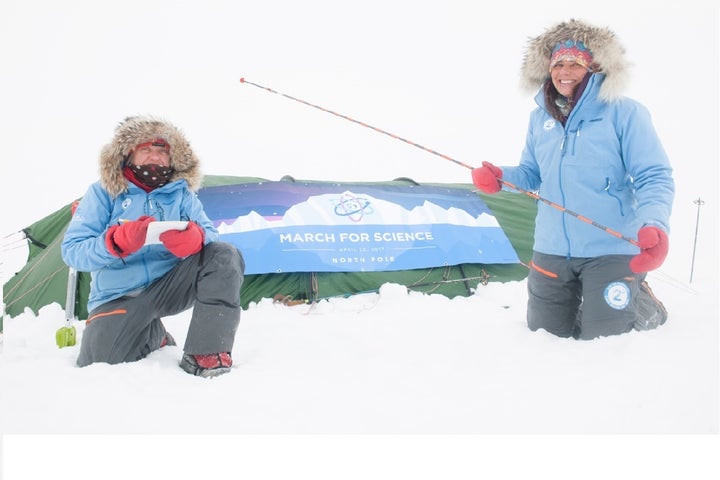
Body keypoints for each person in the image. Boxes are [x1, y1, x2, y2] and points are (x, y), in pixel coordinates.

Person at [471, 19, 674, 339]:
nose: (564, 71)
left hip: (611, 247)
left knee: (604, 339)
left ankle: (645, 304)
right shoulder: (540, 118)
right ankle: (591, 304)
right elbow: (531, 173)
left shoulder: (625, 113)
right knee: (545, 336)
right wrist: (500, 178)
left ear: (593, 68)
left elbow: (654, 175)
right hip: (552, 246)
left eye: (574, 64)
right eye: (558, 63)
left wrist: (655, 225)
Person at [61, 115, 245, 377]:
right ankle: (152, 335)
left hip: (169, 286)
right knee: (98, 362)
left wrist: (196, 239)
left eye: (162, 151)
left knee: (225, 254)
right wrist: (114, 242)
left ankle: (205, 353)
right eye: (145, 149)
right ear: (128, 155)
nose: (155, 157)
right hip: (118, 295)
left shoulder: (182, 194)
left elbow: (211, 237)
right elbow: (72, 251)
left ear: (172, 158)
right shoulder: (102, 193)